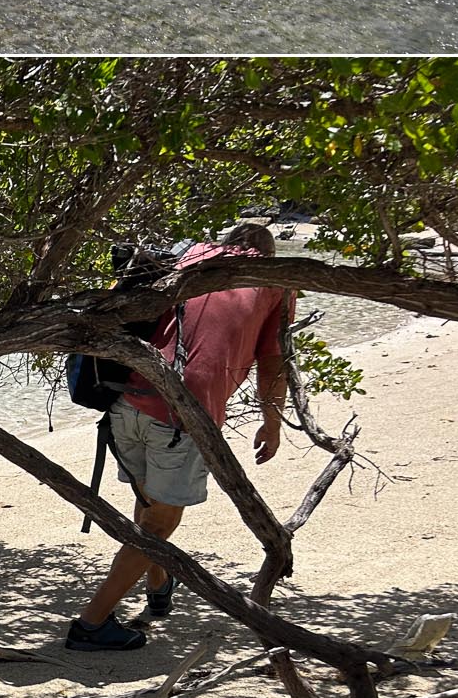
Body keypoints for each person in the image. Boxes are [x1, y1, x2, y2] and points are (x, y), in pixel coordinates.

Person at [65, 222, 296, 652]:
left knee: (149, 504)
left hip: (125, 403)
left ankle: (157, 584)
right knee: (159, 525)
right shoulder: (273, 281)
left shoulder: (191, 256)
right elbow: (272, 363)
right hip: (181, 415)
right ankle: (90, 626)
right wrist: (273, 422)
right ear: (266, 253)